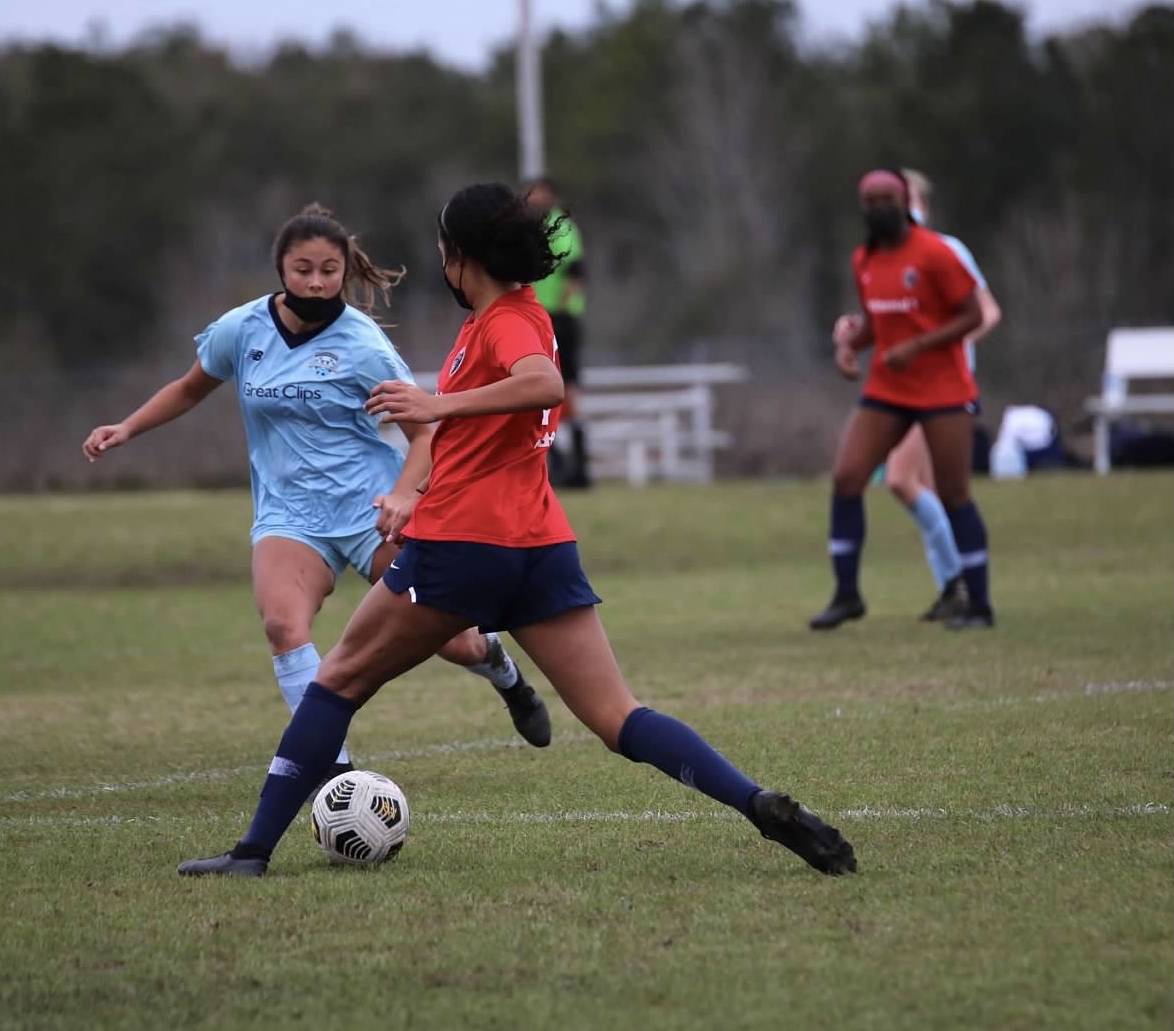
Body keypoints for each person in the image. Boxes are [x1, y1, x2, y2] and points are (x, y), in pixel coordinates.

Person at [178, 183, 857, 879]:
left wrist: (435, 403)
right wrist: (411, 487)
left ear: (459, 255)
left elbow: (542, 384)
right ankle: (757, 806)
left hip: (463, 545)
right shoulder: (508, 316)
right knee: (616, 716)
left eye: (443, 251)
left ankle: (251, 852)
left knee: (335, 684)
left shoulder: (506, 321)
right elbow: (483, 432)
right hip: (537, 544)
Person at [82, 205, 553, 774]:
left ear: (344, 272)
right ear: (280, 268)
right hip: (289, 517)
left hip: (371, 511)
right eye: (302, 268)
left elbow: (425, 434)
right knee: (283, 625)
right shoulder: (244, 329)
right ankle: (335, 774)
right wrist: (127, 427)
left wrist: (405, 496)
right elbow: (189, 388)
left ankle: (503, 672)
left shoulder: (363, 344)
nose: (316, 281)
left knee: (455, 640)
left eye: (329, 270)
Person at [810, 168, 996, 633]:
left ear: (905, 201)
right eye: (870, 201)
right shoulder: (864, 260)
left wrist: (919, 346)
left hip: (943, 389)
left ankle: (978, 602)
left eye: (887, 199)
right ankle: (847, 594)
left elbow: (974, 314)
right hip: (888, 389)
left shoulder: (936, 252)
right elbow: (878, 323)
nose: (879, 208)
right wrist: (851, 347)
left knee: (954, 494)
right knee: (848, 476)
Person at [526, 176, 591, 488]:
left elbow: (574, 272)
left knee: (566, 388)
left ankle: (576, 462)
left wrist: (561, 313)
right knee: (535, 389)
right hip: (537, 318)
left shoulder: (558, 226)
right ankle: (555, 458)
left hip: (558, 319)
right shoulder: (527, 228)